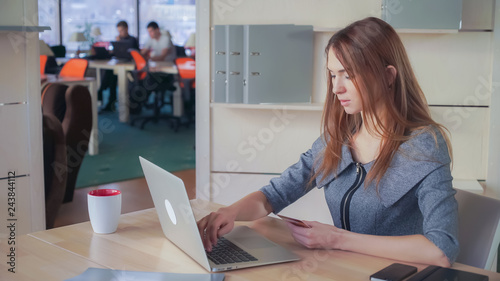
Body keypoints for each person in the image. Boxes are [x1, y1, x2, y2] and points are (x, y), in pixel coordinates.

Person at [196, 17, 459, 267]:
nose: (336, 88)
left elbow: (441, 250)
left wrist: (337, 239)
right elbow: (271, 198)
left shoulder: (424, 145)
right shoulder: (337, 140)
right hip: (343, 270)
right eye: (333, 75)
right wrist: (229, 213)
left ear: (388, 76)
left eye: (348, 74)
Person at [98, 21, 139, 112]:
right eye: (119, 31)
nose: (120, 33)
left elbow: (132, 53)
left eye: (121, 31)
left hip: (131, 67)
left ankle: (101, 90)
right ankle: (109, 101)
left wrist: (119, 42)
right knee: (110, 72)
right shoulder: (119, 40)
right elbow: (117, 53)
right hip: (120, 64)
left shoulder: (132, 40)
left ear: (127, 29)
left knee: (111, 75)